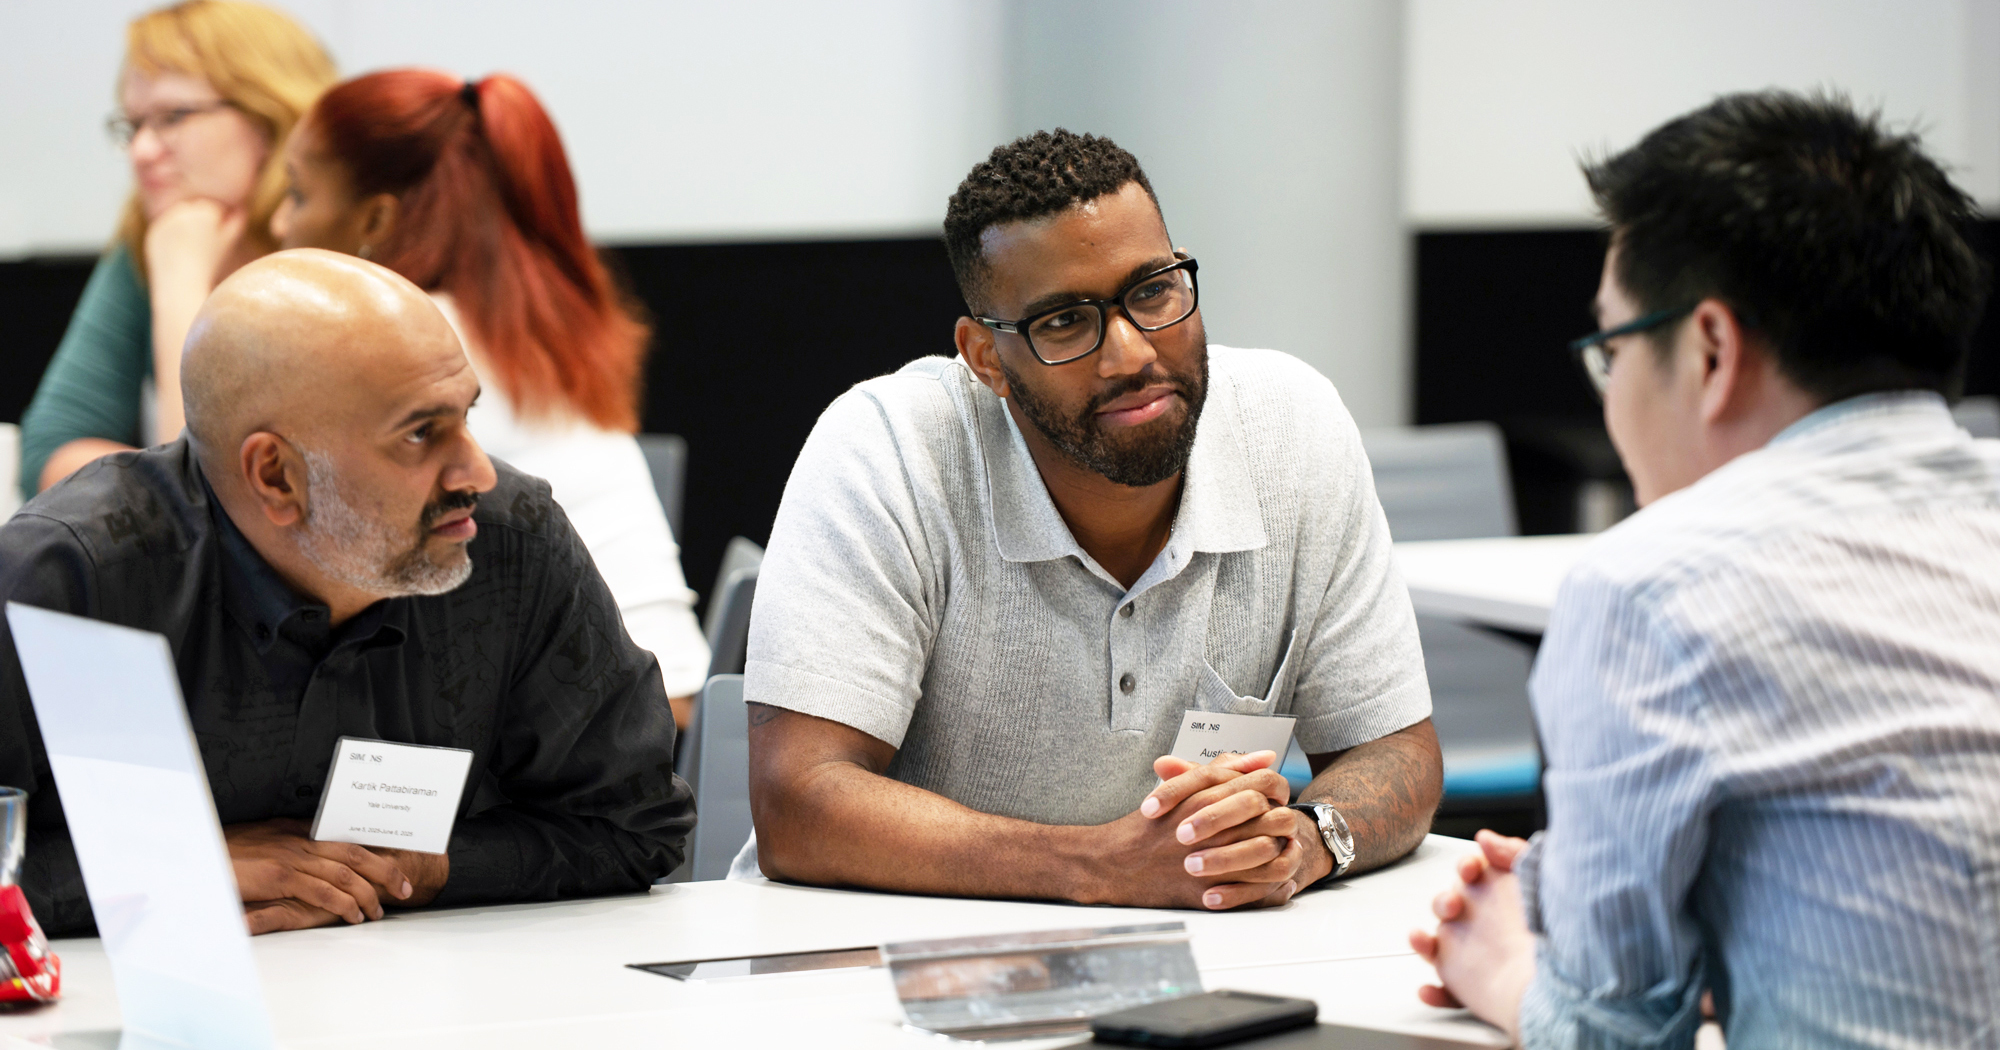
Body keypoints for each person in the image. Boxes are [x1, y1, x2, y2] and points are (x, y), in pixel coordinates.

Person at [1410, 92, 2000, 1048]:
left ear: (1712, 350)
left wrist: (1505, 963)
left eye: (1612, 349)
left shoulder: (1655, 586)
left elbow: (1616, 1035)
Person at [743, 130, 1441, 909]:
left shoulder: (1294, 427)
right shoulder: (888, 452)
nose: (1131, 353)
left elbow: (1398, 751)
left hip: (1204, 951)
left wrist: (1305, 843)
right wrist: (1097, 868)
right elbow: (796, 803)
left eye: (1153, 291)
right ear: (984, 359)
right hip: (893, 967)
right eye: (1065, 323)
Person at [0, 250, 694, 937]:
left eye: (467, 417)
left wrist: (436, 868)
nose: (476, 471)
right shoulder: (73, 580)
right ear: (275, 476)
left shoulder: (511, 539)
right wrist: (186, 864)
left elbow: (635, 825)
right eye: (421, 434)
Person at [268, 69, 711, 720]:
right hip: (662, 712)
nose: (279, 226)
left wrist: (180, 265)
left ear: (375, 220)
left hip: (580, 740)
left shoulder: (394, 354)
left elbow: (212, 517)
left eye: (298, 195)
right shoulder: (536, 334)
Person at [18, 0, 335, 500]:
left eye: (172, 117)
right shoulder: (153, 236)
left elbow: (236, 493)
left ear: (269, 117)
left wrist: (184, 280)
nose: (143, 150)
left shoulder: (344, 253)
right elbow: (51, 447)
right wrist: (169, 495)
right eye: (134, 125)